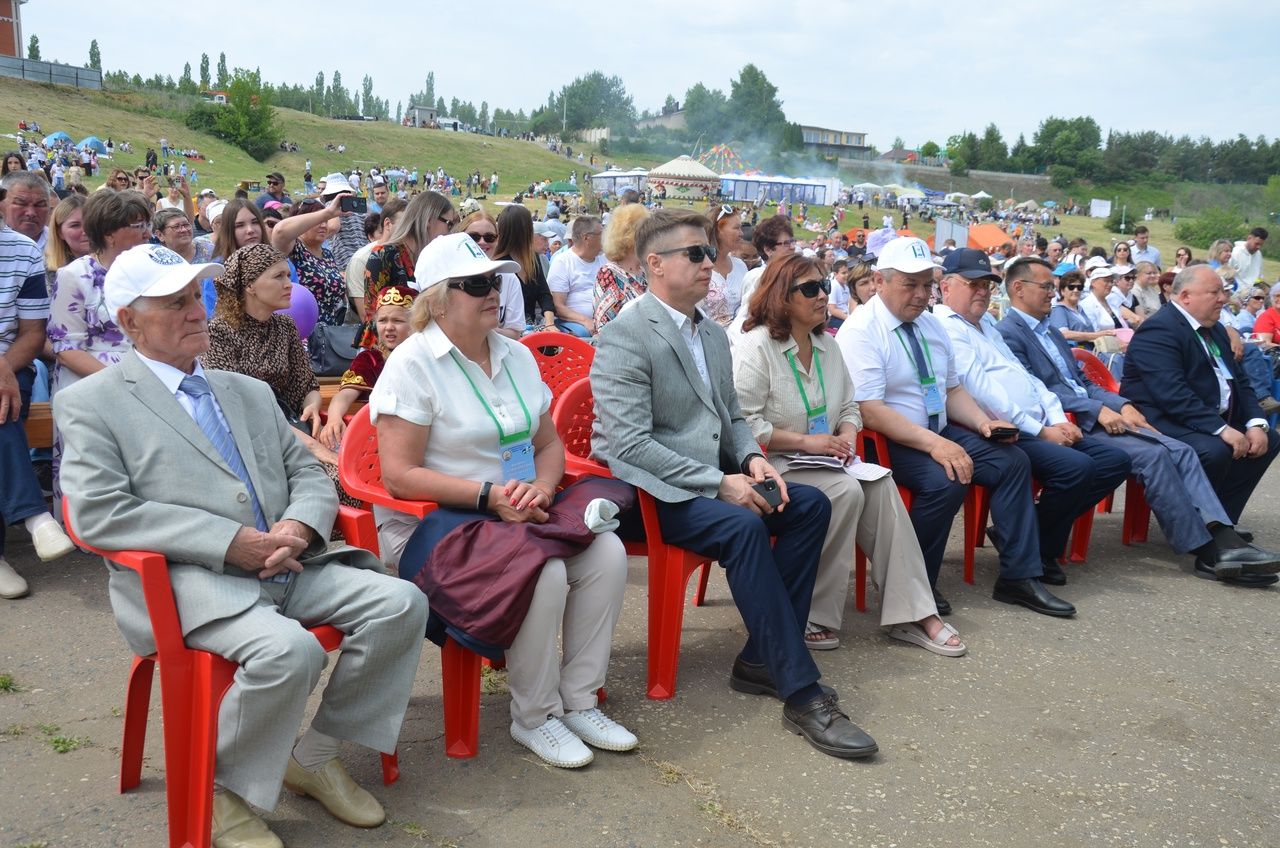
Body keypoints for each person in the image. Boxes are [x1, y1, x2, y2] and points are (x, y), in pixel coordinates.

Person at [55, 243, 427, 845]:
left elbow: (309, 473)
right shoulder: (91, 403)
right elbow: (98, 512)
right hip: (189, 582)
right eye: (173, 304)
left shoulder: (245, 391)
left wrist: (299, 528)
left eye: (195, 298)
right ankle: (221, 792)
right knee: (290, 652)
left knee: (402, 603)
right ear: (128, 321)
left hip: (286, 559)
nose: (195, 312)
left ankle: (315, 755)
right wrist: (230, 543)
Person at [591, 208, 879, 760]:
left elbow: (731, 418)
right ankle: (800, 690)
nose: (710, 263)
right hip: (655, 490)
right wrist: (717, 481)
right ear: (654, 264)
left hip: (711, 479)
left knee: (810, 506)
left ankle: (759, 660)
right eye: (694, 254)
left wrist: (752, 460)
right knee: (746, 526)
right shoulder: (626, 335)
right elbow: (627, 446)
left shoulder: (711, 334)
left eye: (709, 252)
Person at [371, 233, 637, 767]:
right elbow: (399, 477)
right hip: (443, 522)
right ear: (438, 299)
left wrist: (539, 487)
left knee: (607, 551)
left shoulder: (515, 354)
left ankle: (579, 699)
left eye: (495, 280)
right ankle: (533, 716)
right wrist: (490, 496)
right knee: (546, 572)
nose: (493, 292)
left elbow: (547, 445)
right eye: (475, 285)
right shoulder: (414, 362)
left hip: (519, 512)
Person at [731, 253, 964, 656]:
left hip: (823, 461)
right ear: (780, 298)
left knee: (880, 483)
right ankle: (812, 613)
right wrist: (809, 443)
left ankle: (912, 612)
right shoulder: (756, 348)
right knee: (845, 490)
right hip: (770, 467)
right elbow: (742, 424)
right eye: (809, 289)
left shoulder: (826, 345)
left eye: (823, 286)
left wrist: (847, 434)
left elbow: (849, 407)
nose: (822, 296)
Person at [997, 259, 1280, 587]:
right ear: (1018, 289)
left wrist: (1122, 403)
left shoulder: (1047, 330)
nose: (1056, 293)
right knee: (1159, 455)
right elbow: (1037, 389)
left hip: (1098, 413)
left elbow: (1081, 382)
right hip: (1069, 420)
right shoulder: (1010, 334)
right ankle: (1207, 551)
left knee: (1181, 452)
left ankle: (1220, 534)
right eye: (1047, 287)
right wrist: (1099, 410)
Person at [836, 238, 1076, 618]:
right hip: (888, 439)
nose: (920, 295)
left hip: (936, 429)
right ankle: (913, 581)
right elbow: (871, 410)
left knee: (1012, 461)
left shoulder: (931, 324)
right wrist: (935, 445)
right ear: (880, 282)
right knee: (946, 479)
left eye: (926, 285)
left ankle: (1018, 576)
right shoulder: (861, 330)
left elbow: (951, 389)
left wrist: (983, 422)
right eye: (909, 284)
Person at [935, 251, 1130, 585]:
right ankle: (1040, 551)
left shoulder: (987, 325)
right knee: (1075, 468)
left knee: (1114, 459)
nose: (982, 291)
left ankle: (1031, 538)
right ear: (946, 287)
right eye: (973, 284)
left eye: (986, 284)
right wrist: (1041, 431)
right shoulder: (947, 328)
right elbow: (981, 391)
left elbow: (1028, 378)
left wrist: (1055, 418)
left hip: (1037, 423)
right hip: (1001, 429)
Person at [1119, 266, 1280, 561]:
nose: (1223, 299)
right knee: (1215, 449)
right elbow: (1172, 394)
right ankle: (1208, 537)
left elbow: (1240, 382)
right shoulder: (1159, 329)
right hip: (1158, 419)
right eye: (1214, 292)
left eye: (1223, 292)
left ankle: (1221, 522)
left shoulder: (1214, 328)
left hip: (1200, 414)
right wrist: (1220, 429)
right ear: (1185, 296)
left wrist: (1256, 423)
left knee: (1268, 441)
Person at [0, 211, 75, 599]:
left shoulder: (22, 251)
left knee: (1, 408)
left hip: (12, 366)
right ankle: (34, 515)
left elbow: (32, 334)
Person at [358, 191, 456, 348]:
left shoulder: (429, 258)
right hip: (384, 352)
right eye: (448, 223)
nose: (449, 231)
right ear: (429, 220)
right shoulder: (383, 254)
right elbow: (373, 315)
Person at [271, 195, 351, 331]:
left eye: (325, 220)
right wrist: (328, 212)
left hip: (330, 336)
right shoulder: (294, 249)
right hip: (300, 333)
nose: (323, 224)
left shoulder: (327, 254)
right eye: (317, 220)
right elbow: (280, 231)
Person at [460, 209, 525, 339]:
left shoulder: (509, 277)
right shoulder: (449, 277)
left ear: (497, 240)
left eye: (489, 237)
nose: (482, 242)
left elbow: (515, 332)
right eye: (474, 237)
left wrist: (486, 331)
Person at [494, 204, 556, 332]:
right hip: (507, 330)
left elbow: (544, 294)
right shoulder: (498, 264)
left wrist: (550, 324)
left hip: (531, 326)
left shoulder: (533, 258)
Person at [346, 196, 406, 318]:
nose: (412, 229)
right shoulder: (362, 259)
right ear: (388, 224)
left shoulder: (410, 254)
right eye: (406, 224)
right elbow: (366, 316)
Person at [592, 202, 648, 330]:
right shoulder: (609, 273)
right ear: (631, 237)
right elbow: (603, 325)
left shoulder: (646, 271)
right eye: (646, 232)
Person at [547, 215, 605, 336]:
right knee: (583, 333)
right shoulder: (563, 262)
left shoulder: (605, 260)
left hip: (605, 321)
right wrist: (585, 321)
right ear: (587, 238)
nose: (605, 238)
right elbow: (557, 306)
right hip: (577, 325)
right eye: (601, 234)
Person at [703, 204, 749, 327]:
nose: (741, 234)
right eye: (736, 228)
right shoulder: (699, 268)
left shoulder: (740, 266)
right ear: (719, 229)